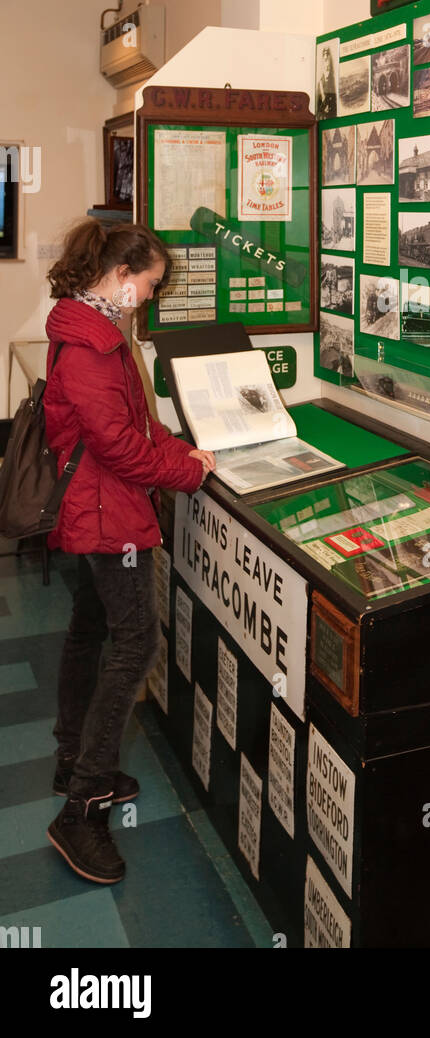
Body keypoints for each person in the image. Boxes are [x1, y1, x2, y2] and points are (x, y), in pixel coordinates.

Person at [42, 219, 216, 886]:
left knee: (91, 631)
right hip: (104, 514)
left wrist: (179, 453)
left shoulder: (93, 331)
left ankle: (70, 757)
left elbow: (136, 427)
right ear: (119, 276)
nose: (150, 294)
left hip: (98, 506)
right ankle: (79, 806)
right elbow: (118, 446)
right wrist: (185, 473)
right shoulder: (91, 343)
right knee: (134, 644)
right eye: (149, 282)